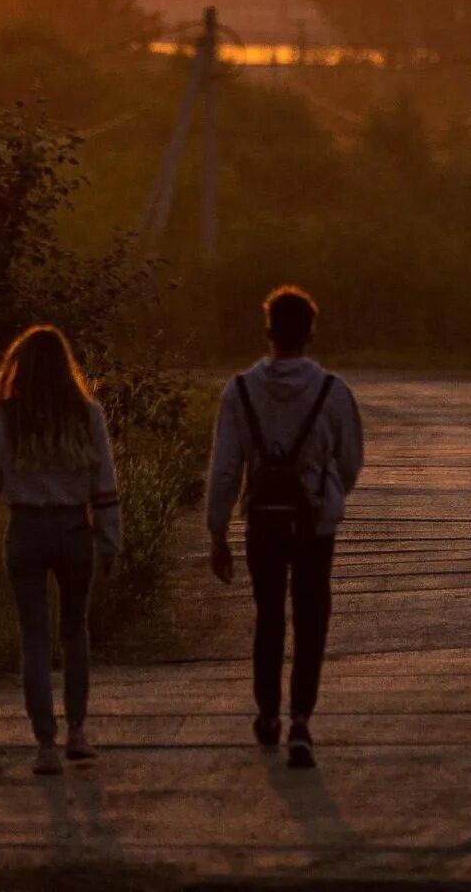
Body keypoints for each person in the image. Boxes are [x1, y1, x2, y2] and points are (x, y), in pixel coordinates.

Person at [205, 283, 363, 769]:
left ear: (267, 330)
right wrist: (325, 494)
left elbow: (227, 467)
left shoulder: (239, 391)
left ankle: (267, 714)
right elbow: (351, 460)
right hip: (313, 524)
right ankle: (301, 722)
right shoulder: (333, 392)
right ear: (310, 332)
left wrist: (217, 530)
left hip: (262, 524)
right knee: (311, 619)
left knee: (269, 618)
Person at [0, 324, 123, 776]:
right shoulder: (88, 414)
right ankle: (77, 732)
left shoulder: (7, 417)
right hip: (74, 529)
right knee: (74, 631)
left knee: (34, 638)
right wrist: (110, 540)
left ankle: (45, 745)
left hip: (26, 529)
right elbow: (104, 484)